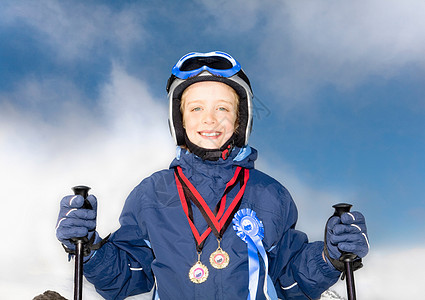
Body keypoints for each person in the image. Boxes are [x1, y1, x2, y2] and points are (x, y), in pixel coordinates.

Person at [56, 51, 370, 300]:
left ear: (240, 120)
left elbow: (289, 282)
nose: (210, 119)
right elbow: (127, 277)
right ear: (179, 120)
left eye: (223, 108)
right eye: (195, 109)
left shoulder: (270, 194)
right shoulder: (151, 194)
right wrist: (89, 247)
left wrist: (330, 256)